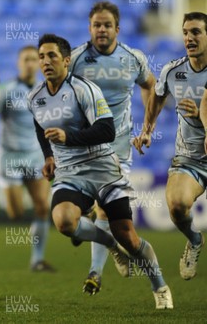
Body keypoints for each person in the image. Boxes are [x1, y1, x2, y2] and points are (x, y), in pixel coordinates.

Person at [30, 33, 172, 309]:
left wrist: (68, 138)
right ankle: (108, 243)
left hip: (104, 168)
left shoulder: (85, 90)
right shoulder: (35, 97)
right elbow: (40, 126)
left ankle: (160, 286)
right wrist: (48, 156)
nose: (46, 62)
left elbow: (106, 130)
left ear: (67, 61)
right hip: (70, 172)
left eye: (52, 56)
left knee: (129, 238)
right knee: (64, 222)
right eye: (42, 57)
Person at [69, 1, 156, 294]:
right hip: (81, 148)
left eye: (107, 25)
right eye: (97, 25)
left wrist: (147, 129)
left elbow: (150, 85)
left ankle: (94, 273)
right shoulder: (76, 59)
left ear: (117, 28)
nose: (102, 30)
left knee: (106, 210)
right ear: (90, 28)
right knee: (69, 214)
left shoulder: (132, 59)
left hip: (117, 148)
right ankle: (112, 246)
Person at [135, 11, 207, 281]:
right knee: (176, 205)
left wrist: (201, 114)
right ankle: (195, 239)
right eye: (186, 32)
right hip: (190, 158)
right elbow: (157, 95)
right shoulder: (173, 71)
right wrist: (147, 131)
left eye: (196, 32)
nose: (189, 37)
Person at [0, 46, 54, 272]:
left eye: (33, 59)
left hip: (35, 155)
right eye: (25, 59)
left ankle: (37, 260)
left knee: (41, 207)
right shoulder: (6, 91)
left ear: (39, 64)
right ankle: (0, 179)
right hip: (9, 156)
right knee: (16, 214)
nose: (30, 63)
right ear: (19, 63)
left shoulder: (48, 92)